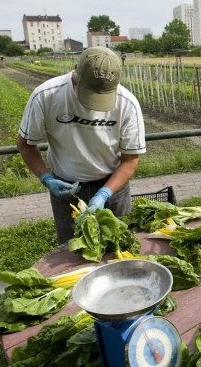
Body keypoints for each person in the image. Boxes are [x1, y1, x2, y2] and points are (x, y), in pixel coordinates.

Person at [17, 47, 146, 244]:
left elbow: (129, 160)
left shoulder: (127, 104)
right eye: (89, 94)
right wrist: (46, 178)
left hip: (113, 188)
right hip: (66, 191)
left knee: (119, 247)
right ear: (75, 74)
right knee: (72, 251)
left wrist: (104, 193)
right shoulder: (45, 96)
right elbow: (25, 144)